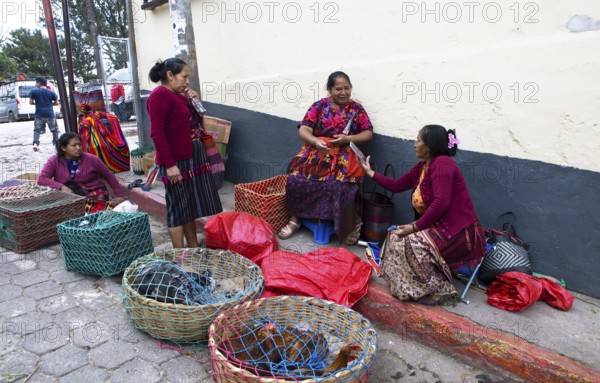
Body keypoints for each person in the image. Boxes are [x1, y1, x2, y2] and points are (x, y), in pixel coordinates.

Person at [360, 125, 486, 306]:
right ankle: (408, 287)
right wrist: (370, 172)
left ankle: (439, 290)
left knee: (411, 244)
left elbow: (440, 204)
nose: (414, 144)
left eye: (418, 140)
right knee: (395, 237)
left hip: (458, 233)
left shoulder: (443, 165)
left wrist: (414, 228)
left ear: (430, 146)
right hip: (438, 227)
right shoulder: (423, 167)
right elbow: (396, 185)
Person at [279, 71, 374, 244]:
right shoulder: (319, 106)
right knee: (296, 179)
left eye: (347, 88)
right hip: (319, 151)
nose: (343, 92)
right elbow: (304, 129)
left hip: (345, 153)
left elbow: (368, 133)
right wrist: (315, 141)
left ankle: (341, 226)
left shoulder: (356, 109)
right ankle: (295, 219)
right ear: (330, 89)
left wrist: (349, 139)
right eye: (338, 89)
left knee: (339, 185)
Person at [147, 58, 222, 248]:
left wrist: (195, 101)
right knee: (178, 207)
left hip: (192, 156)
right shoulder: (159, 96)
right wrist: (170, 166)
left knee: (189, 206)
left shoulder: (180, 95)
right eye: (184, 76)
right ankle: (180, 256)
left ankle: (193, 248)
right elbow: (157, 133)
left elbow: (195, 121)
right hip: (176, 161)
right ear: (170, 75)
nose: (187, 81)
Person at [38, 132, 125, 214]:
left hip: (93, 191)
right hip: (70, 194)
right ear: (63, 148)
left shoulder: (92, 159)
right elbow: (42, 179)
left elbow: (109, 176)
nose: (78, 148)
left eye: (79, 144)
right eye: (74, 145)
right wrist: (61, 187)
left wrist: (119, 195)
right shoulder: (54, 160)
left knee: (96, 211)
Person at [29, 77, 60, 152]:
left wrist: (36, 103)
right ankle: (56, 146)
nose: (35, 84)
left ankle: (35, 144)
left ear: (39, 83)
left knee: (37, 130)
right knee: (54, 130)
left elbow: (30, 102)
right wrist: (49, 104)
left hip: (39, 114)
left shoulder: (34, 91)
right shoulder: (51, 92)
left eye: (36, 83)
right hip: (50, 114)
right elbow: (56, 103)